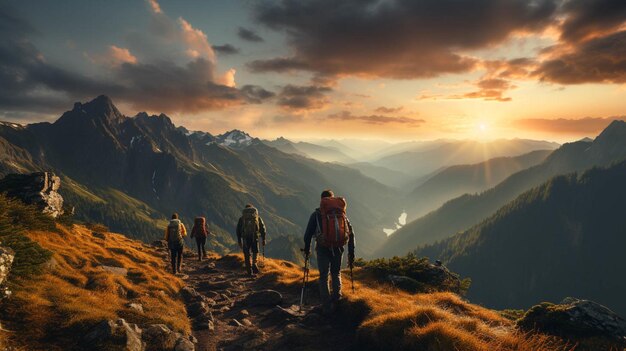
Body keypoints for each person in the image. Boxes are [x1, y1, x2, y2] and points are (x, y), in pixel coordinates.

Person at [303, 189, 355, 314]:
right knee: (336, 273)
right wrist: (351, 252)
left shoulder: (316, 215)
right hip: (338, 247)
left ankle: (326, 307)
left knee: (324, 277)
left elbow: (307, 235)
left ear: (322, 200)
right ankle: (337, 300)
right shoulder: (341, 214)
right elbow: (351, 233)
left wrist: (307, 249)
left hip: (323, 248)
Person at [236, 204, 267, 276]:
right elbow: (263, 228)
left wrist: (239, 240)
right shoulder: (257, 217)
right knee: (255, 251)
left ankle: (249, 271)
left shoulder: (242, 218)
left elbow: (238, 230)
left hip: (245, 238)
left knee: (246, 254)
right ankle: (254, 264)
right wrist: (263, 238)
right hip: (255, 237)